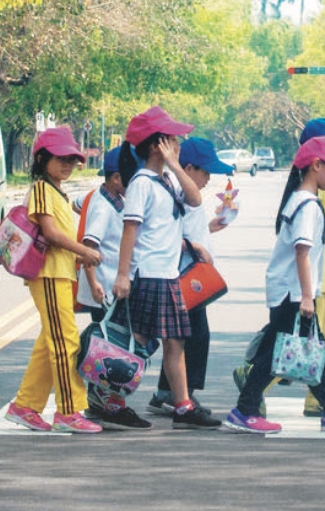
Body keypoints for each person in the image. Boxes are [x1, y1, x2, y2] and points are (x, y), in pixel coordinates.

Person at [224, 136, 325, 433]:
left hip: (289, 290)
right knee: (277, 355)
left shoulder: (301, 199)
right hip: (293, 292)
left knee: (306, 347)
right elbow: (302, 251)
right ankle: (247, 409)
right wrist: (307, 297)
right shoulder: (307, 205)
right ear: (315, 166)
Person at [114, 107, 216, 430]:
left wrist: (173, 164)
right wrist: (122, 275)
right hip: (150, 275)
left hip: (168, 275)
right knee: (138, 344)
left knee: (175, 342)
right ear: (158, 144)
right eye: (173, 138)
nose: (179, 142)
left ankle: (182, 404)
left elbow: (196, 199)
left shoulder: (167, 179)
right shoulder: (142, 183)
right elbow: (130, 230)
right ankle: (111, 398)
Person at [6, 127, 105, 433]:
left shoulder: (58, 192)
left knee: (49, 343)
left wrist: (80, 257)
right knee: (65, 342)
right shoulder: (41, 190)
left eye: (72, 159)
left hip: (60, 273)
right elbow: (50, 233)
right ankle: (68, 411)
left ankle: (25, 406)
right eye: (60, 158)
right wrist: (83, 251)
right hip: (47, 274)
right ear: (41, 158)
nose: (67, 164)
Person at [149, 137, 234, 416]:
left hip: (191, 276)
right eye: (205, 172)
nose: (209, 178)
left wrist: (211, 227)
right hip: (184, 277)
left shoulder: (188, 194)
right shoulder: (178, 193)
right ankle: (180, 395)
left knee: (186, 337)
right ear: (187, 167)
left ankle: (168, 392)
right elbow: (168, 232)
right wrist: (193, 246)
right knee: (193, 337)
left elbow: (192, 229)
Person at [77, 144, 150, 430]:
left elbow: (78, 201)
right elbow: (89, 245)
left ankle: (101, 398)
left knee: (112, 346)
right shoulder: (104, 207)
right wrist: (94, 284)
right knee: (113, 351)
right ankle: (111, 403)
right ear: (117, 178)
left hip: (110, 288)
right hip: (105, 289)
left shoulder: (107, 198)